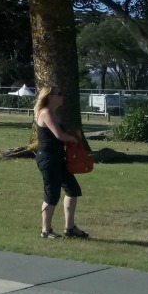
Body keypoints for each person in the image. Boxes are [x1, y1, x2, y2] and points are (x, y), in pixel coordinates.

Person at [33, 87, 89, 239]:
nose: (62, 96)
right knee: (52, 194)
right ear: (50, 96)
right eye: (59, 94)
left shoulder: (55, 113)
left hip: (58, 157)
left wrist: (73, 134)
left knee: (72, 189)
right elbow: (59, 135)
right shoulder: (46, 112)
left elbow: (59, 134)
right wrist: (72, 138)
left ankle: (70, 228)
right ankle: (46, 231)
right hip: (48, 158)